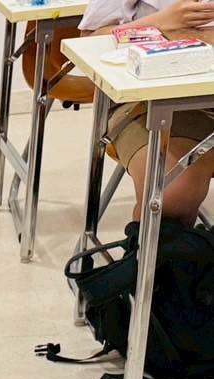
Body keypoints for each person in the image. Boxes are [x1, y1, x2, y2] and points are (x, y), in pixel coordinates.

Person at [81, 0, 214, 222]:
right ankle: (159, 241)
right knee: (172, 195)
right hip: (154, 102)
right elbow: (89, 42)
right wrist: (160, 23)